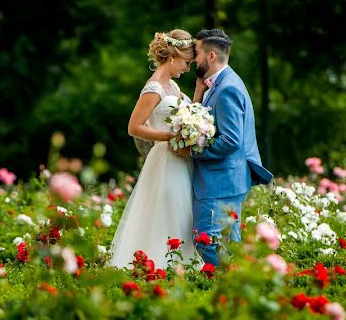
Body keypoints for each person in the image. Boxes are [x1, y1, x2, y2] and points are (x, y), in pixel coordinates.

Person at [108, 30, 205, 270]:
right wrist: (168, 137)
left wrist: (198, 94)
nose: (186, 68)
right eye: (186, 63)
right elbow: (134, 127)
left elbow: (187, 113)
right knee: (167, 212)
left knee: (183, 213)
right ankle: (161, 267)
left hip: (182, 159)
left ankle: (182, 268)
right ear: (173, 57)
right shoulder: (154, 89)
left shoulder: (172, 86)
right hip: (165, 159)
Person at [187, 28, 273, 266]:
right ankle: (235, 293)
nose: (194, 58)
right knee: (228, 243)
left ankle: (229, 289)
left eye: (197, 53)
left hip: (220, 182)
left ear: (211, 56)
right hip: (226, 180)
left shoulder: (227, 88)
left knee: (206, 240)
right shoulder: (221, 83)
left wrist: (192, 150)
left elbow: (231, 140)